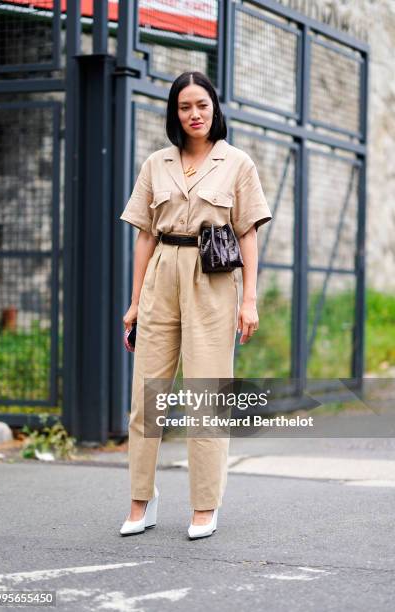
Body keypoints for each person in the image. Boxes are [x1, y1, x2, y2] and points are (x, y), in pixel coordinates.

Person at [118, 71, 272, 539]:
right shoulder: (156, 164)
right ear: (175, 113)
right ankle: (141, 499)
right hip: (162, 274)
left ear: (214, 108)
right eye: (185, 107)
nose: (194, 114)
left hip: (212, 280)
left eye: (201, 105)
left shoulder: (237, 163)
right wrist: (134, 302)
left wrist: (249, 300)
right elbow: (145, 235)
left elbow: (247, 233)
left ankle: (205, 504)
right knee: (146, 398)